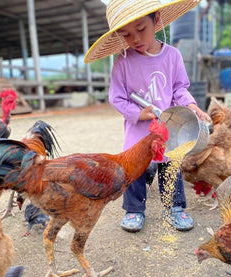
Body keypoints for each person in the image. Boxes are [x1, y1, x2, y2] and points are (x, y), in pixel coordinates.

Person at [84, 0, 211, 232]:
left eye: (141, 29)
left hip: (168, 128)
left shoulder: (172, 56)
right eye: (126, 35)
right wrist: (138, 114)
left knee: (170, 164)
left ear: (157, 20)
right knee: (135, 171)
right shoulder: (122, 61)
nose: (135, 39)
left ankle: (174, 207)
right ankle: (134, 209)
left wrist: (191, 105)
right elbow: (117, 98)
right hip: (138, 131)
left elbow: (179, 88)